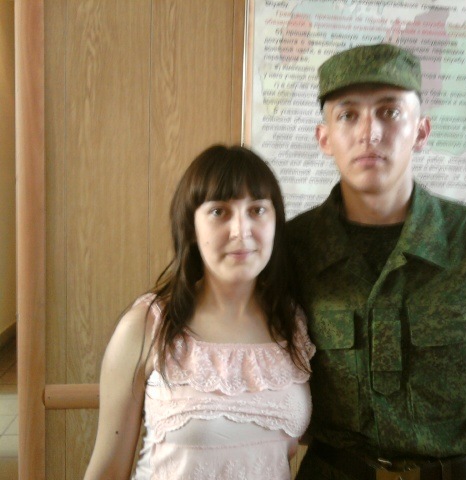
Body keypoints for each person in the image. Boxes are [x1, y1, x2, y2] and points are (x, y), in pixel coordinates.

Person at [287, 43, 466, 480]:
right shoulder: (293, 249)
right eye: (348, 115)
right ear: (324, 138)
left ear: (421, 130)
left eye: (390, 112)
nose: (370, 133)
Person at [84, 145, 314, 480]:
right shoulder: (147, 325)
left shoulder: (293, 324)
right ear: (192, 226)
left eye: (257, 210)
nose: (241, 231)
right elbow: (108, 469)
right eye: (220, 211)